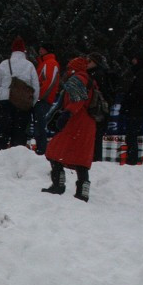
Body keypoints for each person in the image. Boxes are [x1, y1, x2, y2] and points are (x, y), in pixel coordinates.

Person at [41, 56, 97, 201]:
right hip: (88, 123)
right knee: (81, 159)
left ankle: (58, 184)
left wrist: (66, 114)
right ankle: (83, 191)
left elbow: (77, 101)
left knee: (53, 151)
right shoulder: (89, 79)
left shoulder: (77, 79)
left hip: (76, 121)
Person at [0, 37, 39, 150]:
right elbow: (36, 87)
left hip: (4, 100)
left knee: (4, 130)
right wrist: (32, 102)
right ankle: (17, 156)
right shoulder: (29, 65)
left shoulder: (4, 64)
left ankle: (0, 153)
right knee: (19, 132)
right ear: (24, 51)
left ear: (12, 50)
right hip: (23, 103)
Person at [122, 52, 143, 165]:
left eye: (135, 59)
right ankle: (132, 157)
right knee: (132, 135)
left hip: (136, 108)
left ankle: (132, 159)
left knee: (131, 135)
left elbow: (139, 92)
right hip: (138, 108)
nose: (133, 61)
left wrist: (129, 99)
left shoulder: (142, 73)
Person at [33, 43, 61, 156]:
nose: (39, 50)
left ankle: (42, 150)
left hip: (43, 100)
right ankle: (41, 149)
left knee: (40, 126)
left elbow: (49, 82)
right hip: (42, 99)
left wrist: (39, 97)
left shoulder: (50, 63)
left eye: (42, 48)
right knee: (38, 126)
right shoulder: (44, 63)